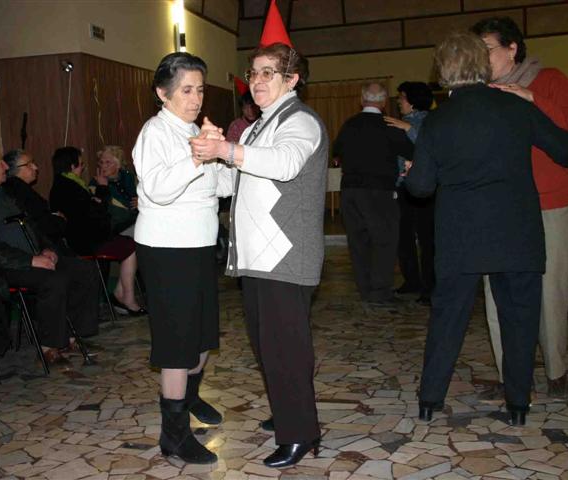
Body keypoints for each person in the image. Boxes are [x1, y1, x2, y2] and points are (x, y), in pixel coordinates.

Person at [405, 32, 568, 426]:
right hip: (516, 232)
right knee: (519, 319)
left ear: (443, 71)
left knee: (448, 318)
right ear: (483, 66)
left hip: (460, 237)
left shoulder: (438, 120)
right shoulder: (515, 106)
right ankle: (518, 404)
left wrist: (416, 172)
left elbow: (421, 188)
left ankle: (430, 400)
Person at [190, 42, 328, 468]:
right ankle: (290, 411)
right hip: (259, 257)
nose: (257, 80)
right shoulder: (256, 128)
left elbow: (285, 164)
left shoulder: (300, 121)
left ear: (292, 79)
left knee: (286, 349)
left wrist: (225, 151)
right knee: (270, 348)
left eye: (269, 72)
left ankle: (300, 433)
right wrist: (210, 155)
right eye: (253, 73)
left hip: (285, 255)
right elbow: (233, 183)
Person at [471, 17, 568, 399]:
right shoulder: (480, 93)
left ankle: (556, 370)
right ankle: (511, 375)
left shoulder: (549, 79)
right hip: (500, 207)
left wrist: (532, 98)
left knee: (551, 291)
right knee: (497, 294)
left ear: (512, 48)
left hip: (549, 202)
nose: (480, 57)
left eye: (487, 48)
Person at [132, 52, 232, 465]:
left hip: (199, 245)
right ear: (163, 93)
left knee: (202, 337)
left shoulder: (194, 130)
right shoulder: (155, 132)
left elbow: (221, 187)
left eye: (200, 90)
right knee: (178, 344)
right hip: (167, 249)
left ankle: (188, 400)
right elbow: (157, 189)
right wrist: (196, 157)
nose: (196, 98)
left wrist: (224, 154)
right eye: (187, 90)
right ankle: (173, 435)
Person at [0, 143, 101, 366]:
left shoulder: (9, 191)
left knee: (83, 270)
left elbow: (34, 225)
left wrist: (47, 249)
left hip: (32, 256)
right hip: (0, 267)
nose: (4, 166)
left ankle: (71, 337)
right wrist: (30, 260)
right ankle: (49, 346)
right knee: (53, 280)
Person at [333, 82, 414, 306]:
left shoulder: (349, 124)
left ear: (362, 99)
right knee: (384, 241)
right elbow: (412, 151)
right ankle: (380, 292)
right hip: (379, 191)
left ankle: (365, 289)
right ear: (384, 101)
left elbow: (336, 152)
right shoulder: (389, 125)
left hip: (350, 190)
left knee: (358, 242)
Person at [49, 146, 144, 316]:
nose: (83, 168)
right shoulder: (71, 187)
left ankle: (122, 295)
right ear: (72, 166)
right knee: (133, 244)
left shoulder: (68, 184)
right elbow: (96, 214)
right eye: (81, 164)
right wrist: (102, 189)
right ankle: (127, 298)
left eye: (108, 162)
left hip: (93, 234)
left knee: (138, 235)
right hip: (87, 240)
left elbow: (95, 211)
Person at [384, 82, 435, 305]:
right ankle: (412, 280)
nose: (398, 101)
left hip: (425, 189)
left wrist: (407, 128)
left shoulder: (430, 121)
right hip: (403, 187)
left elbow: (431, 147)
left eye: (402, 97)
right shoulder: (398, 122)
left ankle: (430, 287)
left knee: (427, 239)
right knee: (403, 237)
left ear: (413, 101)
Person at [3, 149, 68, 250]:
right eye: (29, 164)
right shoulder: (21, 191)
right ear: (14, 169)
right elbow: (44, 224)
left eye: (33, 163)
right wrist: (60, 220)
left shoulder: (14, 188)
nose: (35, 167)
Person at [89, 145, 138, 233]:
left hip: (136, 220)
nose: (103, 166)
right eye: (101, 162)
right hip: (118, 227)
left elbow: (143, 196)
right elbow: (106, 211)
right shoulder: (95, 184)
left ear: (118, 165)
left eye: (108, 162)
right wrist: (102, 187)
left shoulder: (129, 176)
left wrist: (141, 201)